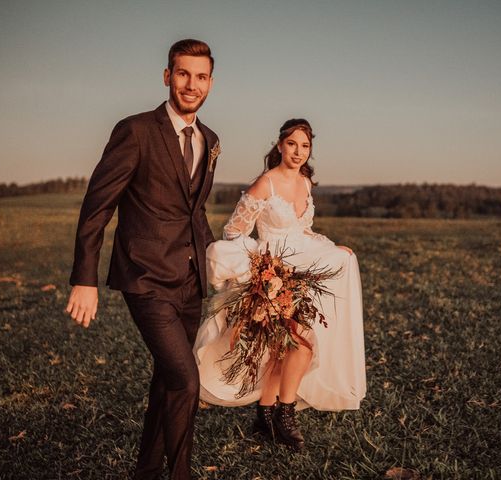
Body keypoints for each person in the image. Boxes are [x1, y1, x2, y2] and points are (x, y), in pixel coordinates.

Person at [66, 39, 220, 480]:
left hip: (190, 282)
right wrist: (85, 278)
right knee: (187, 382)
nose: (192, 84)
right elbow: (97, 205)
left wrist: (223, 264)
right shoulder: (135, 130)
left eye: (202, 76)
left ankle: (147, 471)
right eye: (184, 73)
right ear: (167, 75)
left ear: (212, 82)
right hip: (145, 278)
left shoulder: (210, 140)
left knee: (168, 381)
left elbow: (196, 212)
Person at [194, 119, 366, 451]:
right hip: (273, 273)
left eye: (305, 146)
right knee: (297, 342)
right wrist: (260, 267)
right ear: (279, 145)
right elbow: (234, 231)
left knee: (287, 346)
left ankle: (268, 414)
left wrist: (332, 249)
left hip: (304, 270)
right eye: (292, 144)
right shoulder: (265, 184)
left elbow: (303, 232)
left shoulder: (305, 183)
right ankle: (283, 417)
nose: (298, 152)